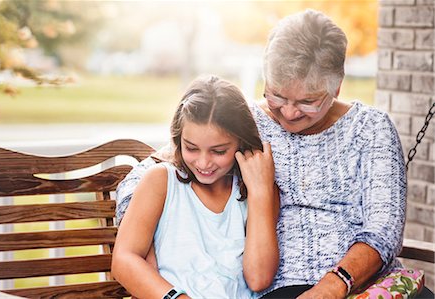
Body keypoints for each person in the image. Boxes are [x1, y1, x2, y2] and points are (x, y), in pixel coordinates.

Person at [116, 9, 433, 299]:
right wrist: (147, 247)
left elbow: (383, 229)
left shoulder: (371, 128)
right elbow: (154, 172)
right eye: (277, 95)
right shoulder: (247, 123)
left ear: (336, 87)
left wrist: (333, 286)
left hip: (365, 283)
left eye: (308, 101)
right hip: (285, 287)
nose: (290, 113)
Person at [112, 75, 280, 299]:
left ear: (242, 142)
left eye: (218, 151)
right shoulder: (160, 181)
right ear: (178, 139)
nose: (203, 163)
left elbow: (259, 278)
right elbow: (124, 259)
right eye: (191, 148)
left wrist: (260, 193)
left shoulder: (255, 191)